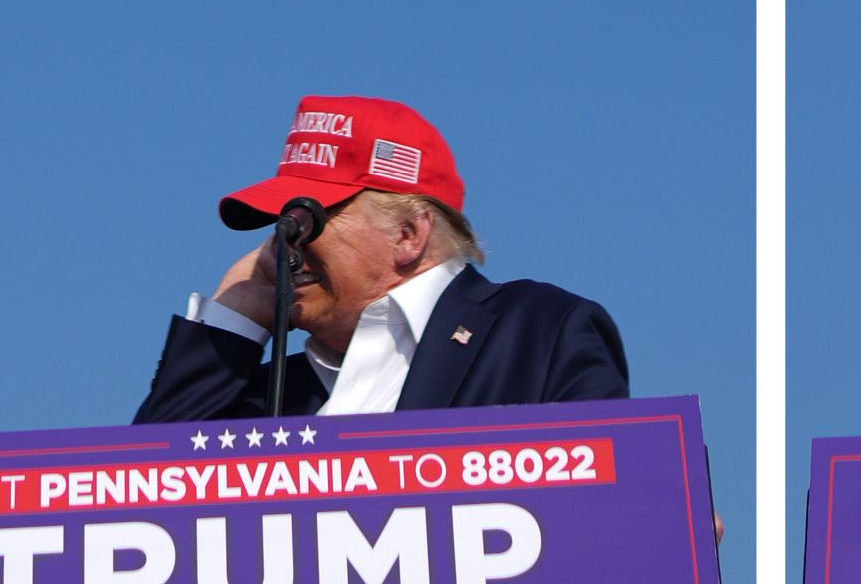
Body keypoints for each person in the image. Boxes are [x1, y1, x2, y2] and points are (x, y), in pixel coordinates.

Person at [136, 95, 628, 422]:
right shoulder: (267, 397)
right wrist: (233, 318)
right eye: (281, 225)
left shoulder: (540, 333)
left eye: (307, 220)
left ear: (409, 234)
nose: (286, 244)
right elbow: (139, 498)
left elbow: (605, 506)